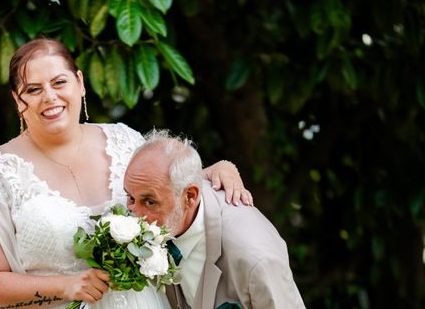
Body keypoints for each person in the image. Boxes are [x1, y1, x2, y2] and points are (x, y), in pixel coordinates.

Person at [0, 38, 253, 309]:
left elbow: (170, 191)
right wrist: (66, 286)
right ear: (17, 100)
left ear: (80, 83)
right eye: (33, 90)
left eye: (59, 82)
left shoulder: (123, 141)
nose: (49, 97)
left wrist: (217, 170)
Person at [124, 130, 305, 309]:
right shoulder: (156, 198)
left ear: (190, 197)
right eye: (130, 198)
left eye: (150, 202)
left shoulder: (256, 259)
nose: (135, 215)